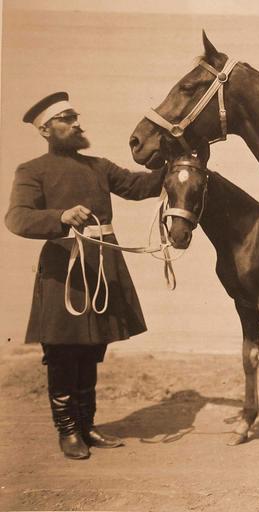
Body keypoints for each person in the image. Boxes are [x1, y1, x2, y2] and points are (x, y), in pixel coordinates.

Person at [5, 92, 165, 460]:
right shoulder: (32, 170)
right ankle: (68, 431)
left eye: (75, 116)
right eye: (67, 118)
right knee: (63, 351)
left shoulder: (99, 167)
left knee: (92, 349)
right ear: (46, 129)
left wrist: (176, 159)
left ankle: (87, 425)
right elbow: (16, 217)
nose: (77, 123)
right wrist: (59, 217)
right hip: (63, 272)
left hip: (103, 268)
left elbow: (141, 186)